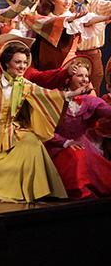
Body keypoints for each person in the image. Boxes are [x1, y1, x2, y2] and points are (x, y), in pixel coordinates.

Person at [0, 38, 83, 203]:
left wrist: (72, 94)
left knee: (33, 142)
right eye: (18, 62)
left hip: (13, 132)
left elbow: (46, 94)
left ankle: (35, 191)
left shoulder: (24, 84)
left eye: (25, 62)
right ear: (6, 63)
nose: (22, 66)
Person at [46, 58, 111, 198]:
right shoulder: (55, 98)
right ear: (68, 79)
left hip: (81, 144)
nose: (85, 79)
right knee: (76, 156)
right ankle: (79, 191)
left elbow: (106, 110)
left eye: (87, 76)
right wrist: (65, 142)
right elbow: (45, 130)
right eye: (80, 75)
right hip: (57, 146)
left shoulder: (90, 101)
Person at [25, 0, 105, 70]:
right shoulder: (45, 18)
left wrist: (105, 18)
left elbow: (88, 20)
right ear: (53, 1)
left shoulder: (75, 18)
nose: (68, 2)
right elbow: (30, 17)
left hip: (68, 65)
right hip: (45, 65)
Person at [62, 0, 111, 91]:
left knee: (92, 93)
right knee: (67, 92)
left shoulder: (99, 5)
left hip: (92, 55)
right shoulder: (65, 3)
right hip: (69, 56)